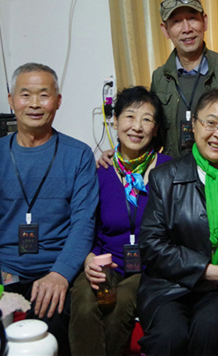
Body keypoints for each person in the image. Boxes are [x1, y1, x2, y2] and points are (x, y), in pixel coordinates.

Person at [0, 63, 99, 355]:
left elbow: (84, 223)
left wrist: (60, 274)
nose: (34, 104)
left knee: (43, 338)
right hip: (2, 268)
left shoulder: (78, 154)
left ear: (58, 101)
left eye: (44, 95)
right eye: (25, 94)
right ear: (11, 100)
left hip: (53, 268)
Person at [136, 89, 218, 355]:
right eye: (211, 123)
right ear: (194, 125)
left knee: (209, 327)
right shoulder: (165, 177)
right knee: (169, 335)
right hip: (170, 286)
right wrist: (208, 270)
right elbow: (151, 244)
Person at [100, 0, 218, 176]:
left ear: (204, 22)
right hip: (179, 180)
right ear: (165, 30)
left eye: (192, 19)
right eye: (176, 22)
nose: (186, 29)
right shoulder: (160, 78)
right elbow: (152, 133)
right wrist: (120, 155)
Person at [69, 86, 172, 356]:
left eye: (147, 119)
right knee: (83, 300)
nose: (137, 127)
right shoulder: (100, 171)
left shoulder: (170, 170)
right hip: (107, 262)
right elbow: (88, 225)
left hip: (151, 268)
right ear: (115, 121)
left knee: (121, 302)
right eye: (129, 117)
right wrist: (89, 259)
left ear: (155, 128)